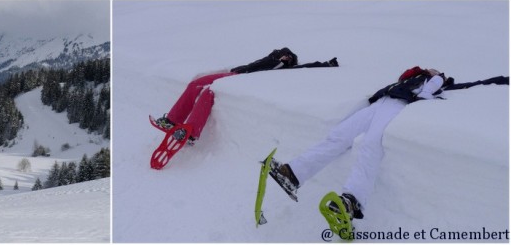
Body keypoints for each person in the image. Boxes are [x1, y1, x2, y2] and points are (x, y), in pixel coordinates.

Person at [268, 67, 454, 220]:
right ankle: (293, 174)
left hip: (396, 107)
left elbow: (427, 94)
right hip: (379, 103)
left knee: (371, 145)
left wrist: (436, 78)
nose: (432, 69)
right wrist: (420, 72)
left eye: (435, 70)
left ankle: (352, 200)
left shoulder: (434, 79)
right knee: (339, 135)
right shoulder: (413, 77)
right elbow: (404, 75)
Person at [153, 48, 338, 144]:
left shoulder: (285, 71)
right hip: (236, 73)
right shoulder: (271, 59)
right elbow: (275, 54)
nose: (284, 58)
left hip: (242, 82)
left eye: (288, 58)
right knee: (196, 84)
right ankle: (172, 120)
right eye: (284, 55)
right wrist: (279, 56)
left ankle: (191, 133)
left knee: (208, 92)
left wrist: (325, 65)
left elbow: (304, 68)